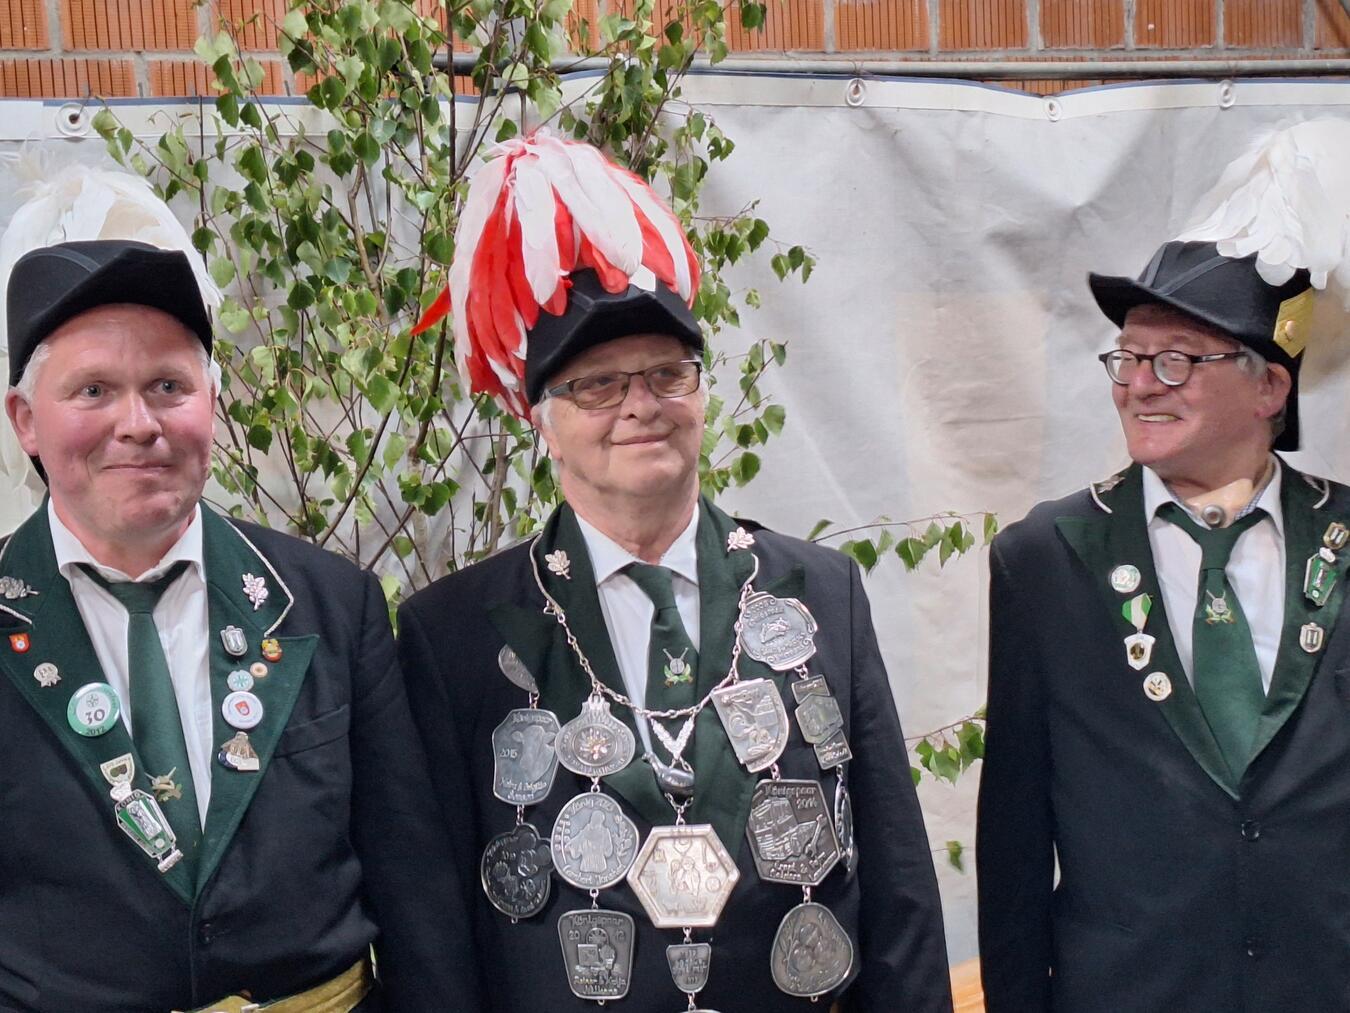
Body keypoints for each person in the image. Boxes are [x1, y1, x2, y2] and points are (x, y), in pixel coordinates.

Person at [397, 133, 953, 1012]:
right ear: (541, 419)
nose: (641, 406)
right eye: (598, 385)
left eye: (668, 373)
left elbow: (900, 894)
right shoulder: (454, 635)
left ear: (701, 392)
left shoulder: (822, 593)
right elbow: (435, 942)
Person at [0, 239, 478, 1011]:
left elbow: (416, 892)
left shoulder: (329, 605)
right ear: (25, 419)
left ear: (213, 402)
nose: (138, 424)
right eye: (93, 390)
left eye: (168, 386)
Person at [976, 234, 1350, 1010]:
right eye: (1128, 359)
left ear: (1269, 386)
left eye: (1175, 360)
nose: (1140, 385)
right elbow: (1012, 841)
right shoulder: (1043, 560)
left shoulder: (1343, 539)